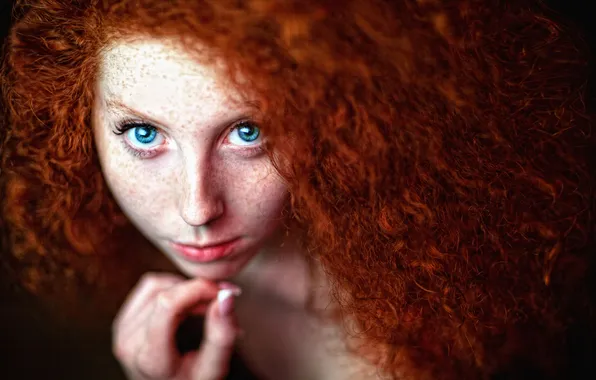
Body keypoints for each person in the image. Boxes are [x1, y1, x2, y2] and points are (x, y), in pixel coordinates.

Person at [1, 0, 594, 379]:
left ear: (340, 124)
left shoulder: (405, 336)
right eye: (143, 132)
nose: (196, 208)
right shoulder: (144, 266)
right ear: (77, 124)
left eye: (247, 131)